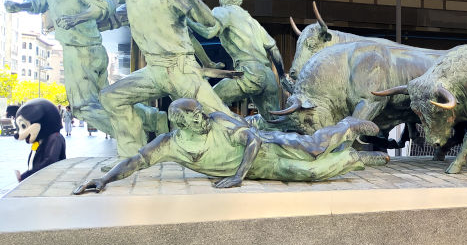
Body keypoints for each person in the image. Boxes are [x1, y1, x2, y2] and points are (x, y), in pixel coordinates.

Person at [58, 0, 234, 158]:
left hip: (181, 70)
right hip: (154, 70)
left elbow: (209, 23)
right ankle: (132, 156)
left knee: (223, 118)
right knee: (112, 97)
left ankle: (257, 148)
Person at [4, 0, 167, 139]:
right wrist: (20, 6)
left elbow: (104, 6)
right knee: (107, 100)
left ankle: (131, 135)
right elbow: (38, 2)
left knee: (83, 107)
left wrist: (76, 19)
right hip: (90, 51)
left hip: (80, 52)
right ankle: (152, 119)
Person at [73, 99, 389, 194]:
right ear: (181, 123)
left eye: (200, 113)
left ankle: (347, 127)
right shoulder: (171, 144)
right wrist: (105, 179)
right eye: (194, 117)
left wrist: (239, 176)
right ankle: (355, 158)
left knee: (314, 148)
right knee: (311, 173)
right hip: (262, 169)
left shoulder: (218, 121)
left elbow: (252, 139)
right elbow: (137, 160)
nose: (201, 118)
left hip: (267, 148)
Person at [180, 0, 284, 119]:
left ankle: (229, 127)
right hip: (269, 76)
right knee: (274, 122)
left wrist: (187, 21)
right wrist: (282, 76)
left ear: (222, 1)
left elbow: (208, 32)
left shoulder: (223, 11)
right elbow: (273, 49)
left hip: (249, 74)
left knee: (207, 101)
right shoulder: (253, 22)